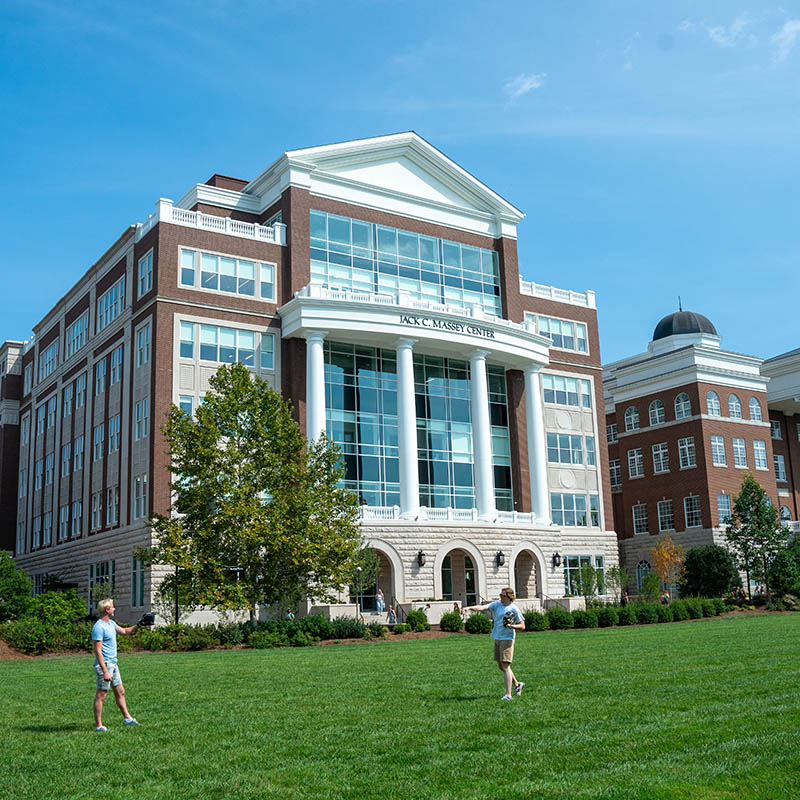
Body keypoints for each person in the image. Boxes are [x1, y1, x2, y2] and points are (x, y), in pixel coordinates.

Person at [462, 587, 526, 701]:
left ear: (509, 597)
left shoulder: (514, 609)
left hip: (507, 639)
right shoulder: (497, 605)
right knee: (501, 666)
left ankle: (508, 695)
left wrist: (512, 626)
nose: (500, 597)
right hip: (497, 637)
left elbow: (522, 626)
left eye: (503, 595)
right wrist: (469, 608)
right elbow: (483, 608)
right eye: (500, 595)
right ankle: (517, 685)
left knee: (505, 666)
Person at [91, 598, 140, 732]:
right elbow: (98, 651)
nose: (114, 609)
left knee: (120, 691)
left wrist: (139, 624)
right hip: (105, 665)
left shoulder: (111, 624)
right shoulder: (99, 627)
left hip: (113, 663)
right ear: (107, 610)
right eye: (112, 607)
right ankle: (99, 725)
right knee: (101, 695)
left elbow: (125, 632)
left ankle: (127, 718)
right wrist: (105, 671)